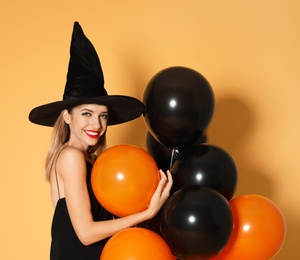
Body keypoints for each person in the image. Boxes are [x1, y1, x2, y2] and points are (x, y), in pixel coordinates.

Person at [29, 21, 172, 260]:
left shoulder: (92, 162)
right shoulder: (71, 156)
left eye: (103, 115)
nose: (96, 125)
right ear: (66, 116)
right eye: (86, 114)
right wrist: (148, 212)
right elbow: (85, 234)